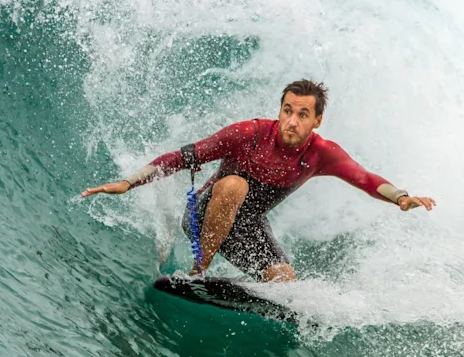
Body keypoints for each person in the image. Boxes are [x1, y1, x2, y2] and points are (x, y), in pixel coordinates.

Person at [82, 80, 436, 282]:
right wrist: (129, 183)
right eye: (287, 110)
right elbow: (184, 157)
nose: (292, 121)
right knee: (235, 185)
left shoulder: (321, 155)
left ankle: (228, 282)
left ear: (317, 120)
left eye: (302, 114)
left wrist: (401, 197)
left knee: (285, 283)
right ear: (279, 109)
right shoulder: (247, 134)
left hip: (246, 227)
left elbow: (365, 178)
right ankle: (197, 273)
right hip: (202, 217)